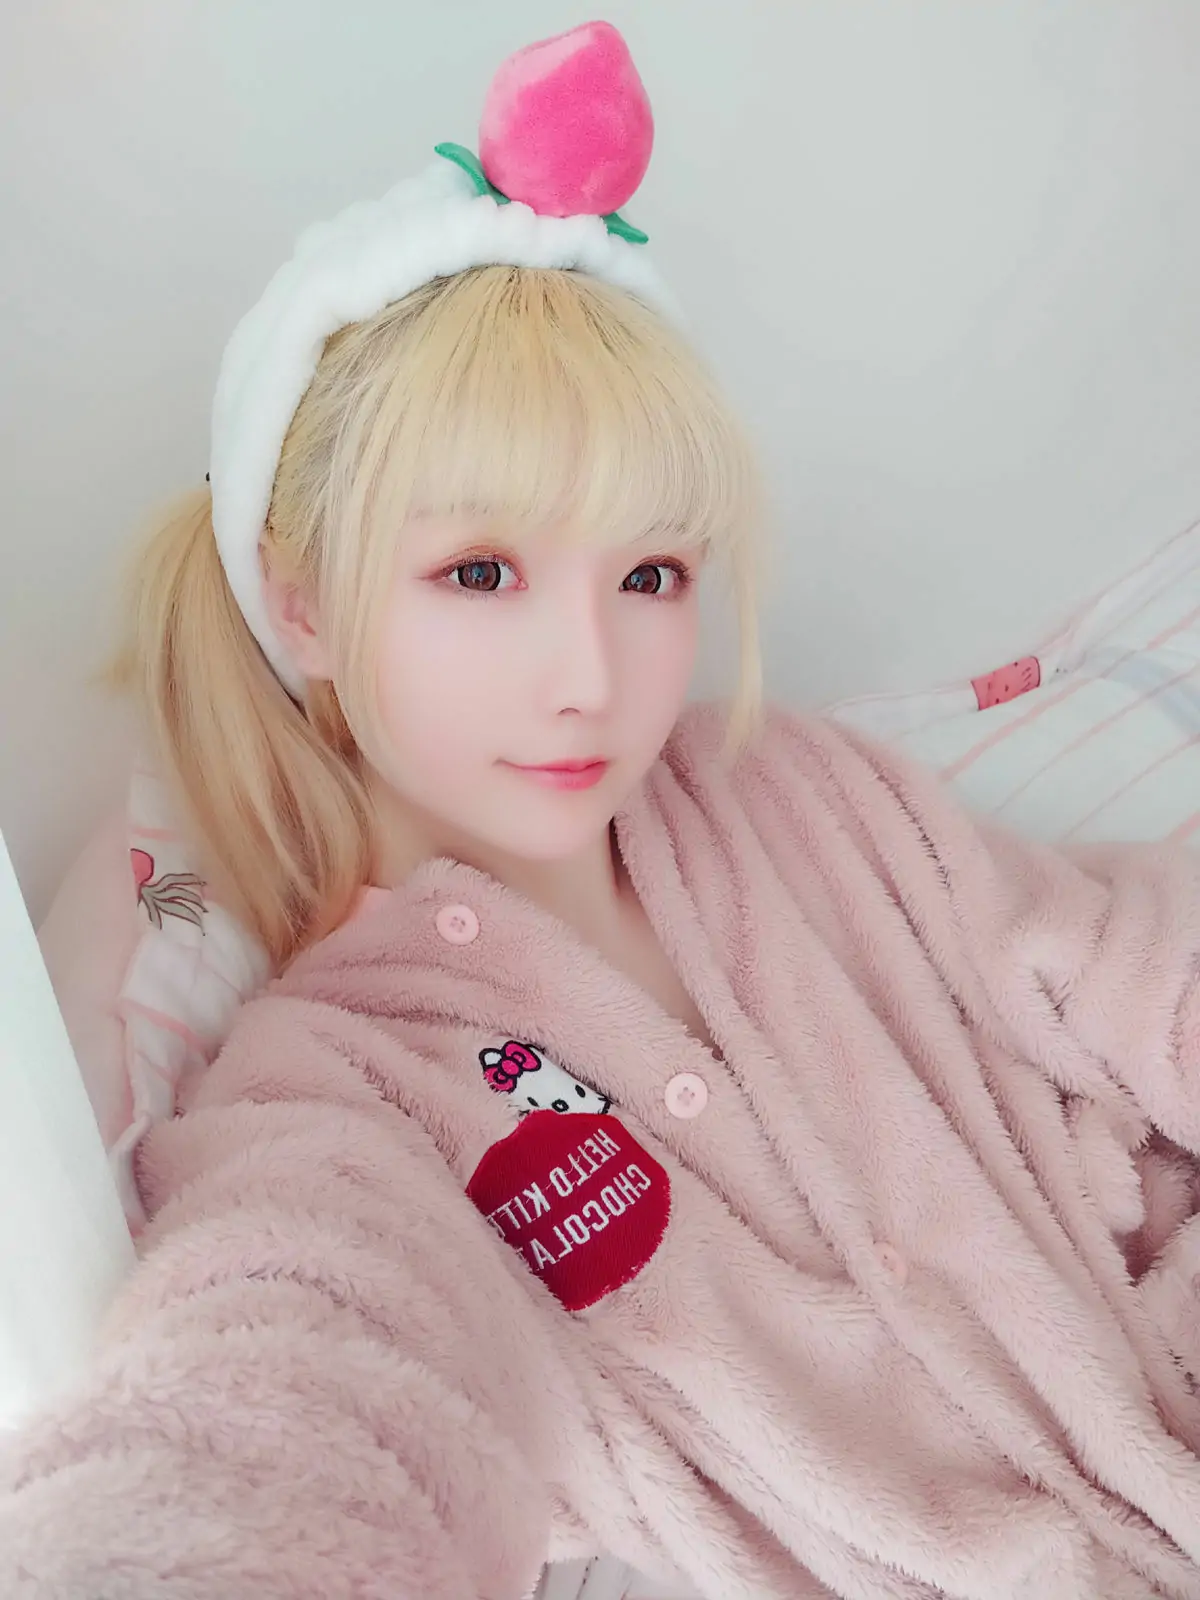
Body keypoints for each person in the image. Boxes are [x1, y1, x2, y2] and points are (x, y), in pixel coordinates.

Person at [5, 21, 1200, 1600]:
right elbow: (293, 1390)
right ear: (303, 607)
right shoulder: (336, 1091)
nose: (588, 677)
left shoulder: (802, 793)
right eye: (479, 572)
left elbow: (1131, 973)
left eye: (649, 575)